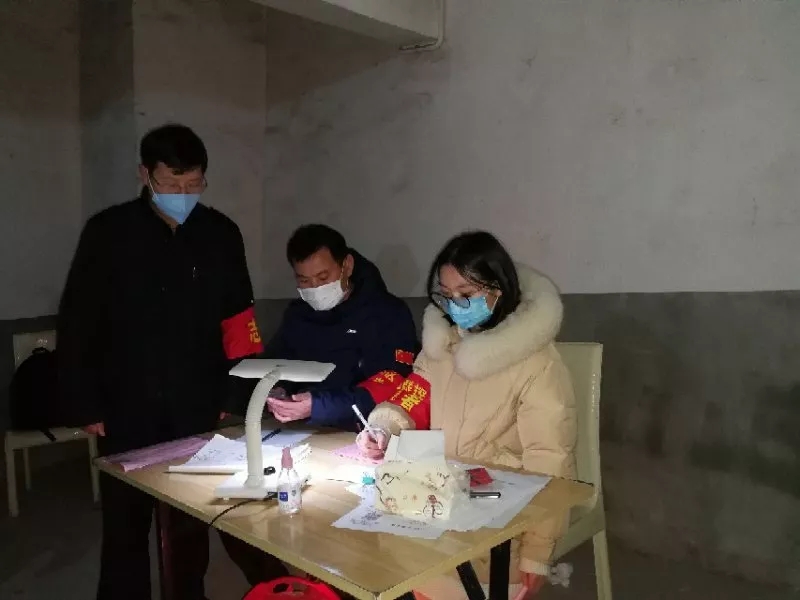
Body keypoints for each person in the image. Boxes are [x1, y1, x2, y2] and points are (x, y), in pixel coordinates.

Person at [57, 123, 276, 600]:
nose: (183, 195)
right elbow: (77, 321)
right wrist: (86, 402)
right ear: (145, 175)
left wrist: (232, 392)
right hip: (124, 402)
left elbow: (239, 320)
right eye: (171, 184)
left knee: (188, 519)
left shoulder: (221, 234)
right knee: (125, 522)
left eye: (193, 184)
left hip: (195, 401)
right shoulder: (108, 232)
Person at [356, 231, 577, 600]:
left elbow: (550, 460)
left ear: (499, 289)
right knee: (376, 562)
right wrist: (382, 428)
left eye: (466, 293)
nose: (455, 305)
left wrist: (538, 553)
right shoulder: (443, 346)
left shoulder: (537, 362)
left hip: (504, 517)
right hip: (442, 497)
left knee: (423, 576)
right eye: (446, 294)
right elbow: (413, 397)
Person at [257, 224, 419, 430]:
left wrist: (318, 406)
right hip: (298, 430)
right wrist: (278, 390)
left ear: (347, 266)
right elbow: (276, 363)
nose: (315, 288)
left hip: (364, 431)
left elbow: (393, 385)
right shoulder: (297, 314)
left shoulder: (387, 313)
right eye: (304, 280)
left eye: (323, 277)